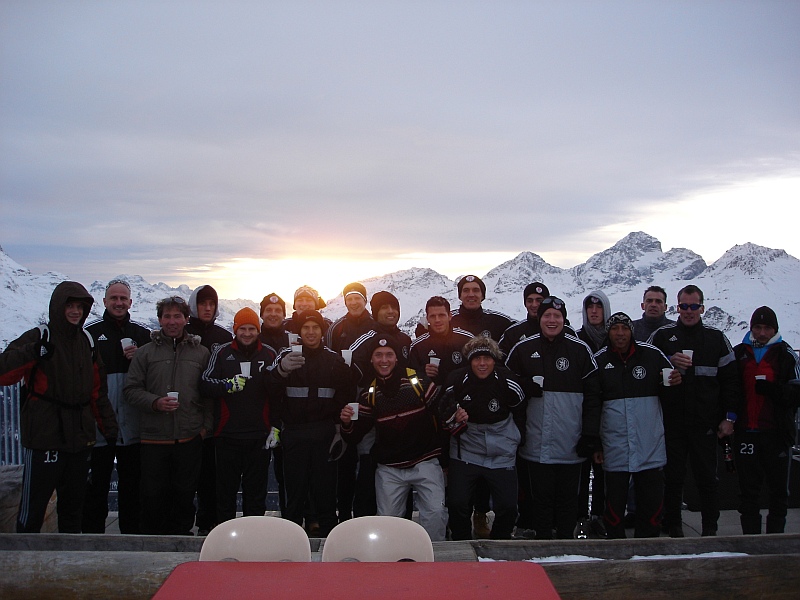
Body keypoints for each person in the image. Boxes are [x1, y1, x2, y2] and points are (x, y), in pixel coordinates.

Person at [0, 281, 118, 533]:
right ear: (58, 307)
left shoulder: (87, 341)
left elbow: (97, 392)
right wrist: (32, 352)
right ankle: (26, 553)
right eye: (70, 306)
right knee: (33, 509)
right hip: (45, 436)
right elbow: (4, 372)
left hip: (79, 438)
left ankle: (68, 553)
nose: (75, 312)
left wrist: (109, 429)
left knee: (73, 509)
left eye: (80, 307)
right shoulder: (39, 337)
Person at [648, 284, 744, 537]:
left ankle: (710, 528)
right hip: (672, 422)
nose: (688, 311)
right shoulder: (662, 337)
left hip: (705, 423)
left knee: (707, 478)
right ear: (677, 307)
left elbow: (731, 382)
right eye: (684, 306)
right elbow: (643, 372)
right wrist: (668, 361)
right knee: (672, 477)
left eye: (693, 306)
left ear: (702, 308)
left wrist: (729, 418)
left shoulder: (716, 338)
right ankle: (673, 526)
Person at [505, 296, 601, 539]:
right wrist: (525, 386)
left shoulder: (579, 350)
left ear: (564, 319)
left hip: (571, 441)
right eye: (547, 315)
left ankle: (566, 543)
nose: (551, 320)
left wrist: (590, 434)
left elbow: (593, 396)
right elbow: (505, 384)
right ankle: (544, 542)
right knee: (540, 498)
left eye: (557, 316)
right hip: (535, 442)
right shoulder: (523, 349)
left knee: (568, 498)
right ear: (539, 319)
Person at [339, 334, 447, 541]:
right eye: (378, 355)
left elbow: (443, 416)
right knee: (388, 522)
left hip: (424, 461)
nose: (384, 360)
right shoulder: (369, 394)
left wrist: (445, 458)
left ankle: (434, 555)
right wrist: (346, 423)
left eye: (389, 354)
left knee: (435, 513)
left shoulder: (419, 382)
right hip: (390, 468)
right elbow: (355, 436)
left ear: (397, 358)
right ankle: (392, 557)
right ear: (371, 359)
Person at [124, 296, 211, 535]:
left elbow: (208, 394)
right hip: (154, 437)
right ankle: (153, 540)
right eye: (167, 316)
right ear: (160, 320)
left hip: (189, 435)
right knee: (152, 494)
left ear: (186, 319)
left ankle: (181, 537)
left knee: (185, 492)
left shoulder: (201, 353)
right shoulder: (145, 353)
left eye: (177, 316)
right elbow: (130, 390)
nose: (172, 321)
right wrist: (155, 402)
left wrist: (205, 428)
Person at [591, 312, 681, 539]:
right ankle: (615, 546)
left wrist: (675, 383)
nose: (620, 333)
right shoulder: (599, 361)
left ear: (631, 331)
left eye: (624, 328)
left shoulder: (652, 355)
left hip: (649, 441)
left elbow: (672, 398)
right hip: (614, 443)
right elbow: (592, 405)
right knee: (614, 504)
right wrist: (595, 442)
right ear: (608, 333)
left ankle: (649, 547)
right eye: (615, 329)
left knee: (651, 503)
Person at [271, 310, 355, 536]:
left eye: (315, 328)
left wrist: (338, 429)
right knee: (294, 492)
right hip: (294, 432)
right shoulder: (287, 356)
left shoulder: (333, 360)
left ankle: (328, 539)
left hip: (323, 433)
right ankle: (290, 541)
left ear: (322, 331)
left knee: (325, 491)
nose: (310, 332)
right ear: (299, 331)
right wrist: (281, 370)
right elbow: (269, 387)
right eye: (306, 328)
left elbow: (345, 393)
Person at [439, 336, 528, 540]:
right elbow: (442, 410)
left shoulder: (508, 382)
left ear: (494, 360)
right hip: (466, 448)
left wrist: (518, 438)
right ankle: (461, 541)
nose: (482, 363)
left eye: (486, 358)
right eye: (476, 359)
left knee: (508, 506)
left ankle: (499, 543)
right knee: (457, 502)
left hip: (501, 447)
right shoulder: (456, 380)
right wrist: (454, 416)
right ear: (469, 361)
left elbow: (520, 410)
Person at [82, 279, 151, 534]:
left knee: (132, 486)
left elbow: (154, 375)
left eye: (123, 299)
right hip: (100, 425)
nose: (119, 303)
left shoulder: (143, 335)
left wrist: (140, 358)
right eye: (114, 298)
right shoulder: (90, 334)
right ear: (104, 302)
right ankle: (93, 539)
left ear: (130, 302)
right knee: (96, 487)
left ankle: (131, 538)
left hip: (132, 426)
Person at [201, 308, 277, 524]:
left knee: (256, 494)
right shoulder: (222, 352)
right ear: (235, 330)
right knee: (225, 493)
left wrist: (275, 426)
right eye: (242, 329)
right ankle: (223, 536)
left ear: (258, 330)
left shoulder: (269, 353)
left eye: (252, 329)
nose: (247, 333)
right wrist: (227, 385)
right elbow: (205, 383)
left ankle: (254, 536)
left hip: (259, 436)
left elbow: (277, 393)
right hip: (227, 435)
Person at [733, 306, 800, 534]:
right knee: (748, 492)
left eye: (767, 328)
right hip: (746, 431)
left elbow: (796, 394)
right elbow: (729, 390)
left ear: (775, 330)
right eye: (758, 327)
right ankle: (750, 541)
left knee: (778, 491)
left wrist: (773, 390)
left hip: (776, 433)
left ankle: (775, 541)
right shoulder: (739, 353)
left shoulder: (786, 354)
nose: (762, 333)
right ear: (751, 328)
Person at [185, 284, 233, 535]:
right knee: (185, 474)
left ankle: (209, 522)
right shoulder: (182, 332)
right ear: (194, 306)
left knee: (212, 473)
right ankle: (182, 522)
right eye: (202, 303)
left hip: (216, 414)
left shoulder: (223, 337)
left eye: (211, 304)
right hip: (185, 411)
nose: (207, 308)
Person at [575, 291, 611, 538]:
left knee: (603, 470)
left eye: (599, 307)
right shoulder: (578, 339)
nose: (594, 311)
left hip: (608, 413)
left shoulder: (615, 338)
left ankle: (599, 516)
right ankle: (580, 517)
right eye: (590, 307)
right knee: (580, 469)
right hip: (581, 413)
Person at [450, 275, 514, 341]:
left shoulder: (499, 321)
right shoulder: (447, 320)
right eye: (466, 290)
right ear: (460, 296)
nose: (471, 294)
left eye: (476, 290)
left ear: (482, 296)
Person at [498, 282, 551, 357]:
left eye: (539, 300)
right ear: (525, 303)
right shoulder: (513, 333)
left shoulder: (561, 330)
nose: (534, 305)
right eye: (530, 301)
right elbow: (499, 360)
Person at [325, 282, 376, 352]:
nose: (353, 303)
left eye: (357, 298)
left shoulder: (376, 325)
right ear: (345, 303)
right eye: (349, 299)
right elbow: (327, 354)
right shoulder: (335, 328)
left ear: (365, 301)